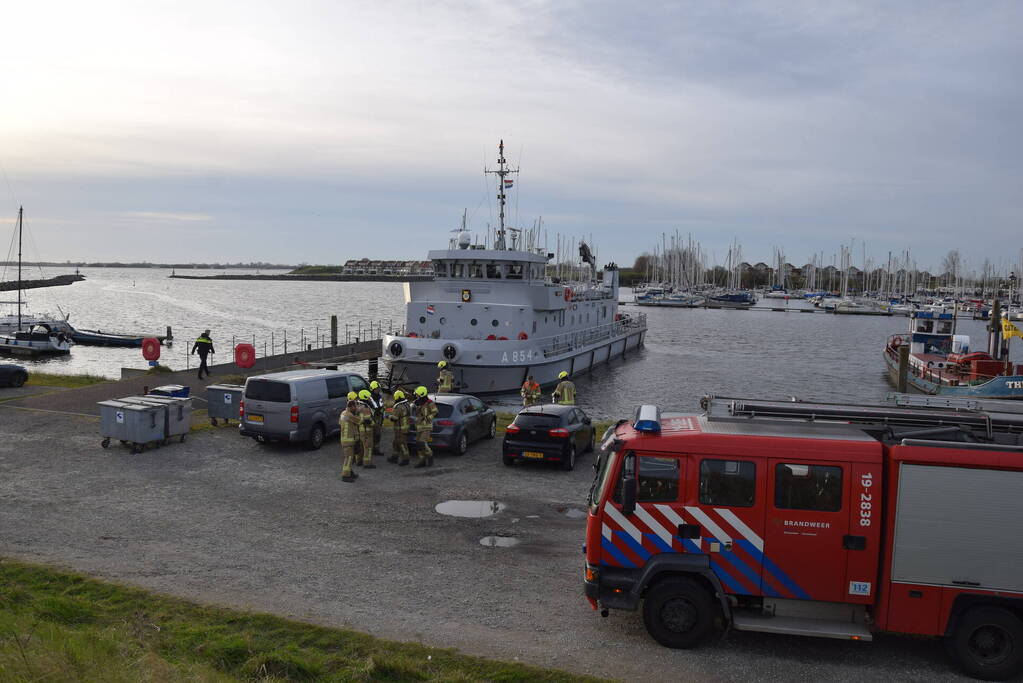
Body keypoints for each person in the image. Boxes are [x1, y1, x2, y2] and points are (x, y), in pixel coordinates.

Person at [412, 385, 437, 468]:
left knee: (422, 443)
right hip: (419, 426)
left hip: (426, 426)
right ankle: (422, 460)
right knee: (418, 444)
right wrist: (414, 406)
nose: (416, 396)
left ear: (421, 394)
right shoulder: (417, 402)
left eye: (417, 394)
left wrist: (427, 418)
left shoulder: (430, 403)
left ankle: (430, 456)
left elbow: (435, 412)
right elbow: (414, 411)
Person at [387, 389, 411, 466]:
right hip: (404, 428)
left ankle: (405, 459)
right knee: (395, 443)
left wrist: (388, 416)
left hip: (400, 429)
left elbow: (394, 418)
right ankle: (395, 457)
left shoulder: (398, 407)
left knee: (402, 444)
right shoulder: (407, 404)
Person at [339, 400, 361, 483]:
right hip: (349, 440)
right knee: (348, 458)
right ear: (351, 407)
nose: (356, 408)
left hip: (345, 439)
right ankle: (345, 475)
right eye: (355, 406)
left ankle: (350, 472)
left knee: (350, 457)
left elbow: (340, 423)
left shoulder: (343, 413)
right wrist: (359, 413)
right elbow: (359, 421)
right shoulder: (349, 415)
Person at [357, 389, 376, 468]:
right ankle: (367, 463)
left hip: (361, 430)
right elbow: (369, 420)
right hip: (367, 431)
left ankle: (359, 461)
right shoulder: (366, 408)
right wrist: (374, 424)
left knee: (362, 446)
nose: (370, 399)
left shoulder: (358, 406)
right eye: (368, 397)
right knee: (368, 447)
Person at [369, 380, 385, 455]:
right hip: (373, 418)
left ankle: (376, 449)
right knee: (372, 435)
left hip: (379, 418)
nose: (378, 390)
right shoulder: (370, 398)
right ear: (372, 389)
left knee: (378, 435)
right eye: (376, 389)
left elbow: (381, 407)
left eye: (378, 389)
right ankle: (371, 450)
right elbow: (372, 408)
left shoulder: (379, 397)